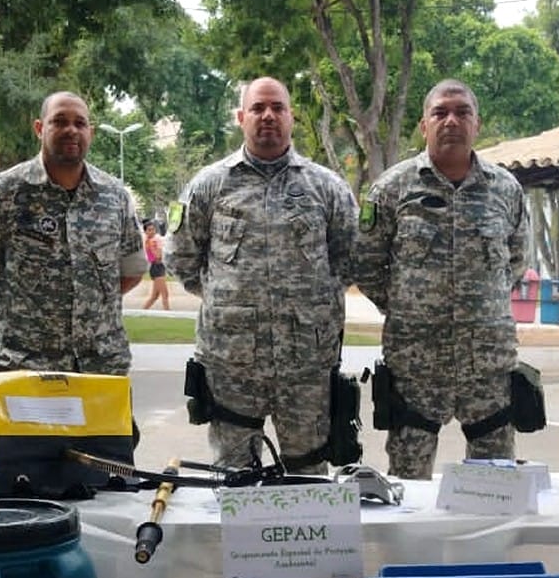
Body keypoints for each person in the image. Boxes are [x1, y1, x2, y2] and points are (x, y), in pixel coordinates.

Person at [165, 76, 358, 471]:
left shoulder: (326, 187)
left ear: (291, 117)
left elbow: (350, 259)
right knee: (234, 476)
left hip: (306, 365)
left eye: (277, 108)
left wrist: (310, 302)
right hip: (231, 364)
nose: (268, 115)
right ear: (241, 117)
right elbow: (181, 259)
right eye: (257, 108)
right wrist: (227, 299)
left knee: (308, 475)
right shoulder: (209, 186)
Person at [354, 78, 529, 480]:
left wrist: (481, 305)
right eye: (440, 113)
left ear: (476, 124)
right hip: (416, 362)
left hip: (487, 363)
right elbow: (365, 263)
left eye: (462, 112)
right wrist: (406, 307)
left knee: (495, 480)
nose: (452, 121)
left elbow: (517, 261)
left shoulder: (505, 189)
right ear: (424, 125)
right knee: (408, 477)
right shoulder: (391, 189)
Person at [0, 91, 147, 374]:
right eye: (59, 121)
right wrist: (18, 317)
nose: (71, 130)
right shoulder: (3, 193)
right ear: (39, 128)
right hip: (26, 366)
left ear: (90, 132)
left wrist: (90, 309)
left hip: (102, 366)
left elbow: (131, 270)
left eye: (80, 123)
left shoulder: (115, 196)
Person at [141, 219, 170, 311]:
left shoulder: (153, 240)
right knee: (165, 294)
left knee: (154, 296)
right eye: (149, 230)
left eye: (153, 229)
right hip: (157, 268)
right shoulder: (150, 241)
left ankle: (142, 312)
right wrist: (160, 248)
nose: (152, 231)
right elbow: (157, 256)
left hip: (159, 267)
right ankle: (168, 313)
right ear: (145, 232)